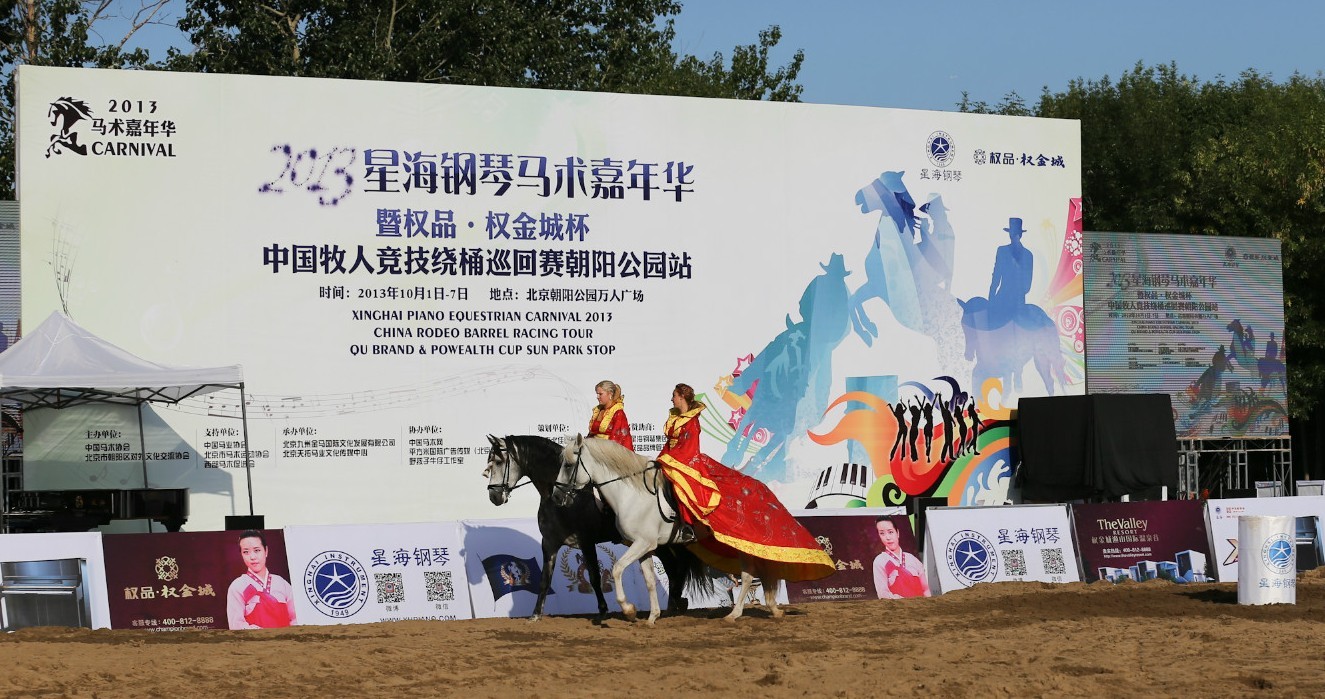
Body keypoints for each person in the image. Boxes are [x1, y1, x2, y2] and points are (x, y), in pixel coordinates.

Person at [655, 383, 834, 582]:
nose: (672, 399)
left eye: (674, 395)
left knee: (683, 488)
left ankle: (688, 527)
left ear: (682, 397)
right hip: (675, 460)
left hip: (687, 463)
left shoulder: (692, 422)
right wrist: (661, 459)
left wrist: (671, 461)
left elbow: (688, 448)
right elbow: (670, 445)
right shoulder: (675, 419)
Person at [226, 529, 297, 629]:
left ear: (266, 551)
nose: (252, 557)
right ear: (241, 555)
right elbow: (236, 625)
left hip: (285, 638)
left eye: (257, 550)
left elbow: (296, 619)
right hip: (255, 639)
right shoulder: (237, 586)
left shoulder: (282, 583)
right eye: (246, 552)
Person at [872, 517, 930, 599]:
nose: (888, 537)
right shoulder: (880, 561)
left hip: (920, 605)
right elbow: (883, 594)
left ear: (897, 533)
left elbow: (926, 589)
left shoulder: (912, 559)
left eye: (890, 532)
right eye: (882, 533)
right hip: (897, 606)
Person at [588, 380, 633, 450]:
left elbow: (618, 439)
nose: (597, 397)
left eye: (600, 394)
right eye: (597, 394)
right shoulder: (598, 410)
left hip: (608, 452)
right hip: (594, 450)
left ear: (610, 394)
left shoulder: (618, 413)